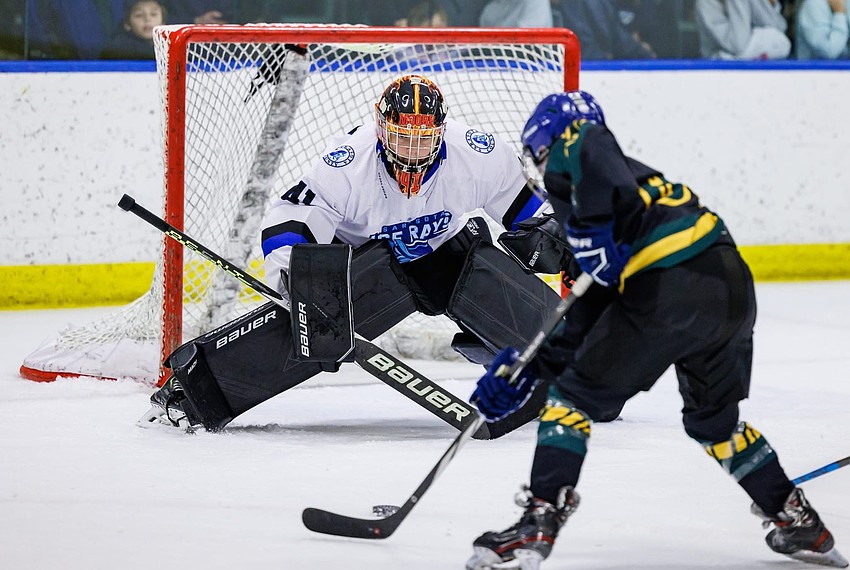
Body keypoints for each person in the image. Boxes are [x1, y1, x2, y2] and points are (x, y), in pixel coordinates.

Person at [465, 91, 848, 570]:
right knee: (714, 424)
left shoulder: (580, 159)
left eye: (539, 155)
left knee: (571, 401)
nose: (542, 169)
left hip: (672, 286)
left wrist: (589, 223)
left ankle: (539, 518)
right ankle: (796, 518)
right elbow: (586, 309)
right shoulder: (625, 194)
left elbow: (586, 141)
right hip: (730, 288)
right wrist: (530, 370)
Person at [142, 71, 575, 441]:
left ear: (441, 131)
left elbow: (527, 207)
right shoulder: (347, 164)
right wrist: (296, 275)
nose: (412, 150)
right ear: (381, 128)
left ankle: (582, 377)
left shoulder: (479, 155)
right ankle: (193, 392)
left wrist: (556, 233)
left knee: (557, 341)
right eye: (402, 137)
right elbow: (294, 215)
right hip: (369, 263)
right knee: (310, 326)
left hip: (449, 256)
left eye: (423, 139)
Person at [550, 0, 656, 59]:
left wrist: (641, 52)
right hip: (585, 66)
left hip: (588, 68)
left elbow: (617, 38)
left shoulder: (591, 4)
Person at [695, 0, 791, 59]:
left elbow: (779, 28)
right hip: (719, 74)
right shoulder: (706, 3)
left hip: (755, 72)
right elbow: (738, 45)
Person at [100, 0, 166, 60]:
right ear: (127, 24)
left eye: (153, 14)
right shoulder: (118, 49)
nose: (147, 19)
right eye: (139, 15)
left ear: (163, 22)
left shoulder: (167, 44)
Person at [478, 0, 553, 28]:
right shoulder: (491, 8)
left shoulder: (536, 2)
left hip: (529, 56)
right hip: (491, 56)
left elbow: (529, 43)